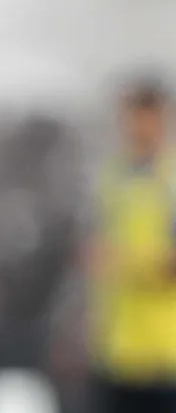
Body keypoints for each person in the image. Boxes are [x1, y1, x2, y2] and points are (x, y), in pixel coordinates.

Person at [88, 76, 176, 413]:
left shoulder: (170, 179)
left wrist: (124, 263)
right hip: (117, 355)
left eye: (144, 114)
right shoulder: (113, 177)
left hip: (165, 357)